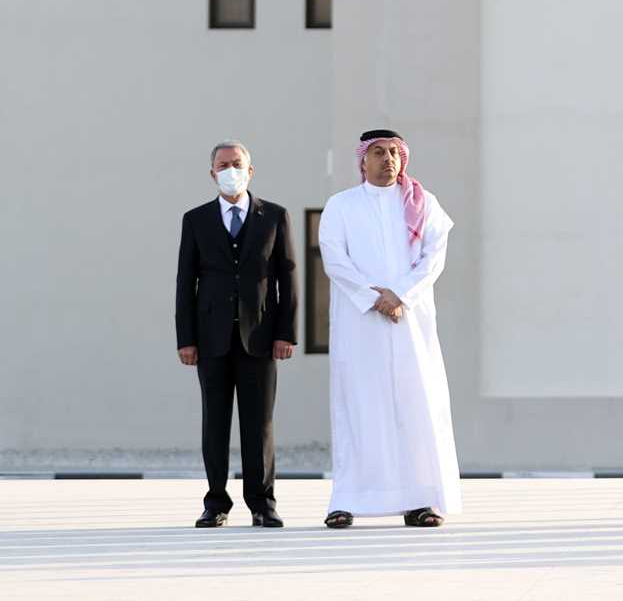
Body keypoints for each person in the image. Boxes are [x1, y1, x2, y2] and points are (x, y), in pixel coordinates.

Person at [316, 129, 461, 529]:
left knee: (417, 406)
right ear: (363, 161)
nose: (387, 159)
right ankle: (347, 500)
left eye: (394, 152)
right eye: (378, 152)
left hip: (410, 322)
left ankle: (421, 501)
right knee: (359, 407)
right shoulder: (341, 205)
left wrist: (401, 296)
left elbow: (434, 258)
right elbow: (335, 259)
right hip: (360, 322)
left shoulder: (424, 204)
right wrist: (374, 298)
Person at [175, 141, 297, 528]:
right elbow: (185, 282)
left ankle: (262, 502)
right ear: (212, 173)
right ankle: (216, 502)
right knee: (215, 422)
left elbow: (288, 279)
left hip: (259, 337)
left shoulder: (274, 216)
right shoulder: (196, 219)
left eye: (237, 163)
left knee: (259, 424)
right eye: (223, 165)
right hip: (210, 338)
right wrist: (186, 338)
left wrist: (286, 333)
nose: (231, 170)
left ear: (250, 170)